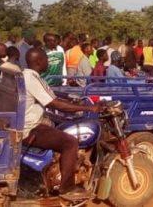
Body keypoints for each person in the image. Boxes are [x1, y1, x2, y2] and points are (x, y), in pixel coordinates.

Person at [21, 48, 103, 200]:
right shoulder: (30, 78)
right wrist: (88, 108)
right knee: (70, 142)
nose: (48, 61)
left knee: (60, 126)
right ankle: (67, 187)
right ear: (39, 61)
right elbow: (54, 103)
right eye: (46, 58)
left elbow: (52, 96)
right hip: (30, 128)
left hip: (32, 123)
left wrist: (73, 101)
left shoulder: (30, 75)